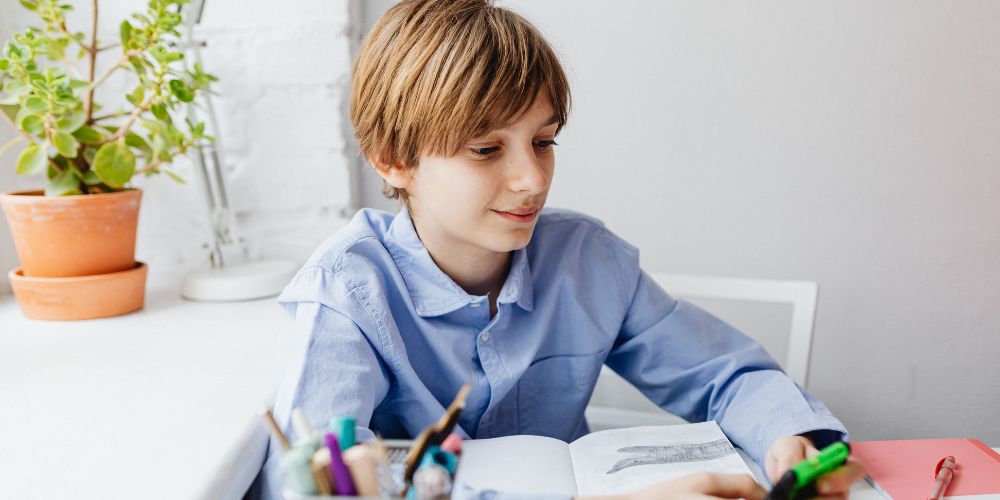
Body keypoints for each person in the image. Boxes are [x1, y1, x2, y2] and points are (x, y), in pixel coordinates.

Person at [252, 0, 865, 498]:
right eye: (486, 150)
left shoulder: (586, 260)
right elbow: (311, 484)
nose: (533, 180)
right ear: (394, 159)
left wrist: (790, 439)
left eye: (543, 142)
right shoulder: (347, 292)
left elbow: (726, 375)